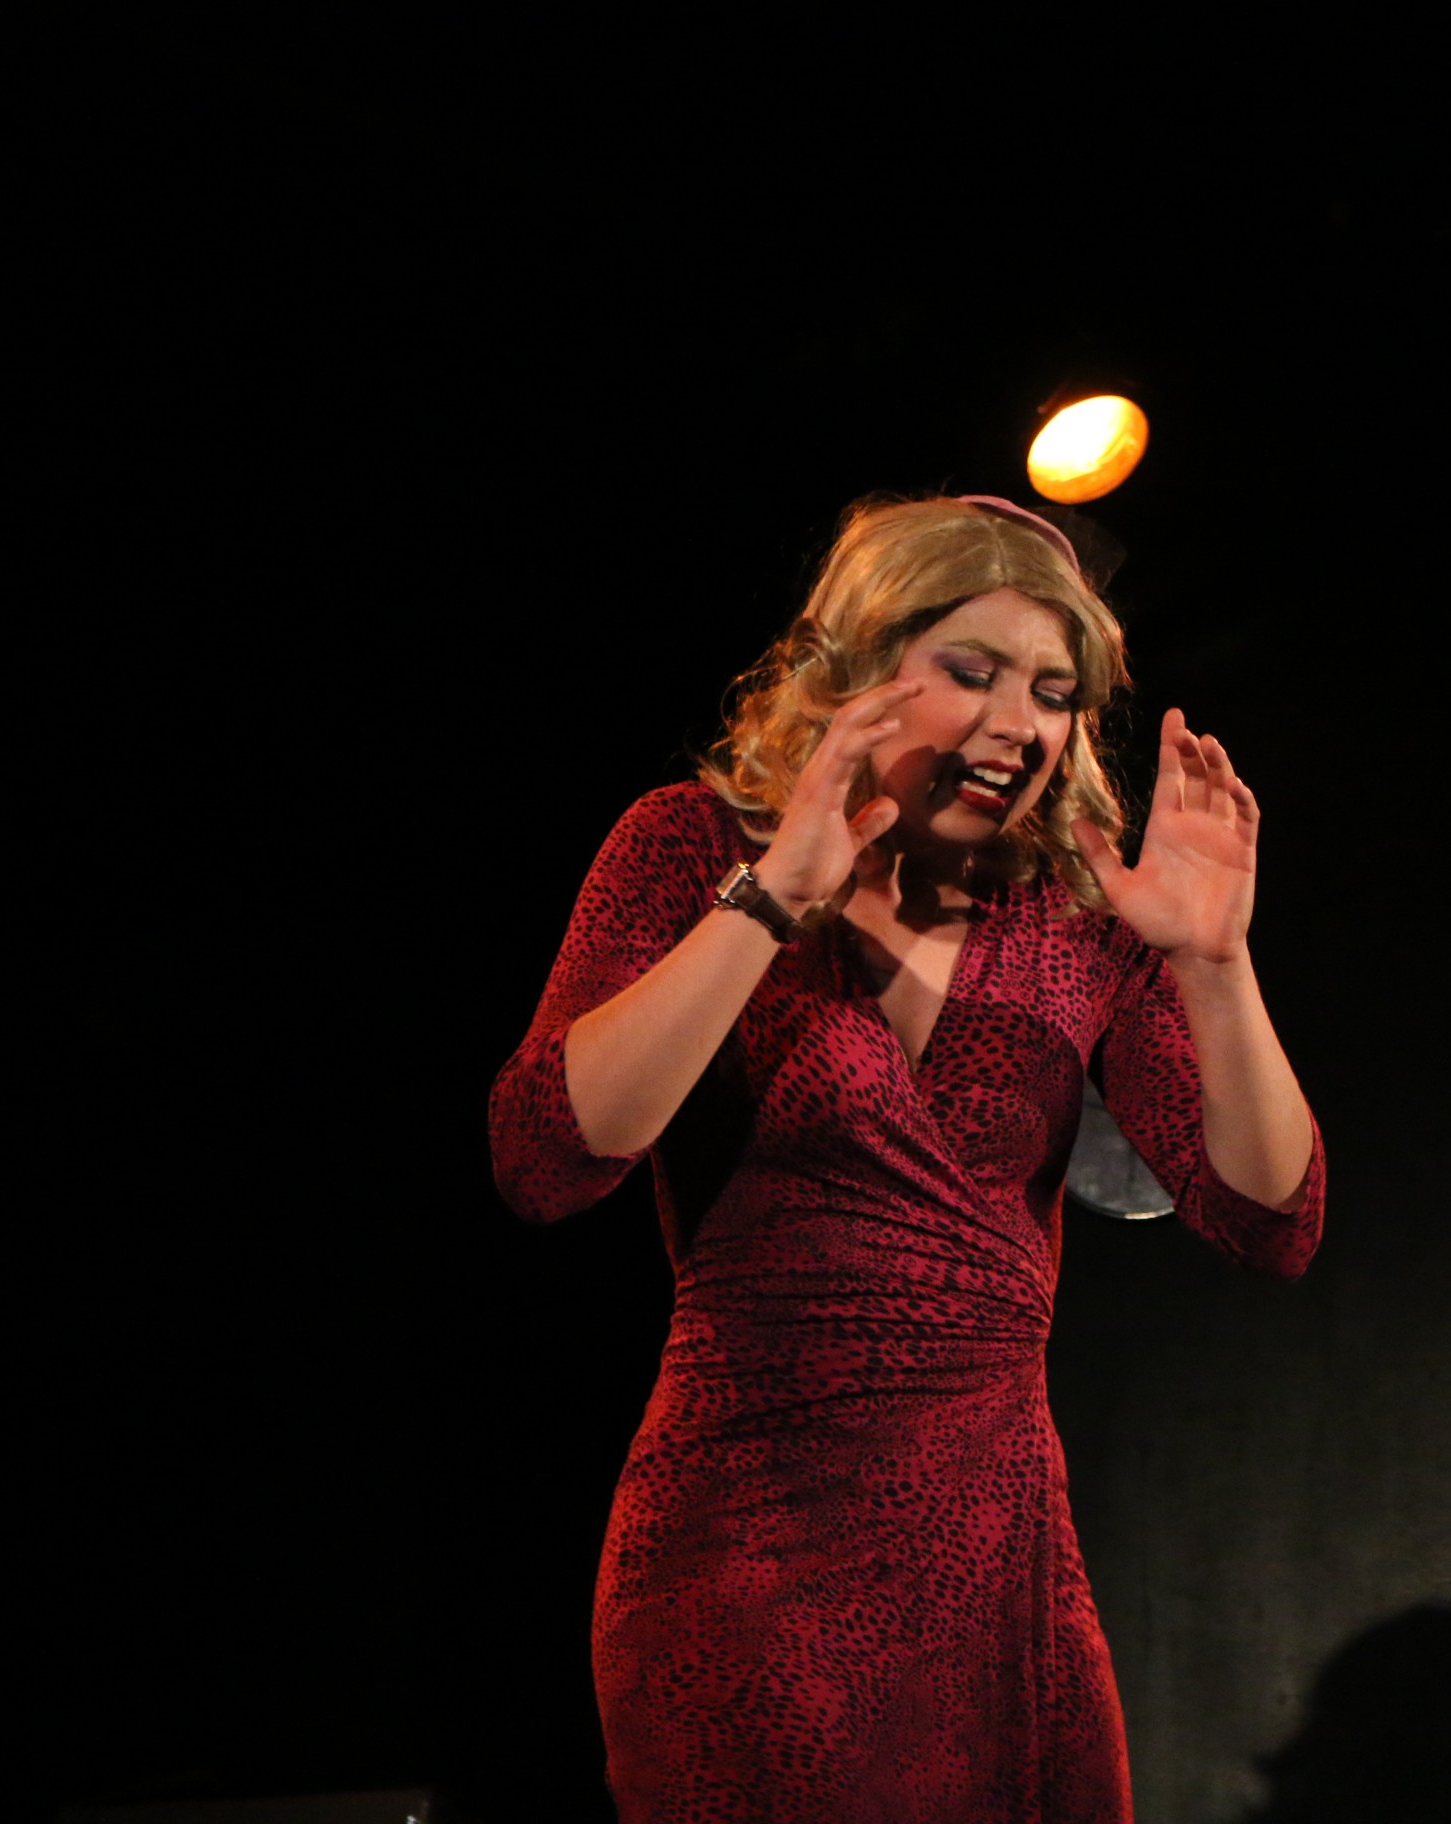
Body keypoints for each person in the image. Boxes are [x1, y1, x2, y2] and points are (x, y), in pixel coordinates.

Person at [488, 494, 1326, 1822]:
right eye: (971, 671)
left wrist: (1216, 967)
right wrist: (774, 895)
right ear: (858, 671)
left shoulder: (1078, 918)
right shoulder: (690, 846)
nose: (1019, 723)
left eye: (1054, 692)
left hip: (1000, 1575)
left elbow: (1271, 1222)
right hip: (745, 1556)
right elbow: (546, 1156)